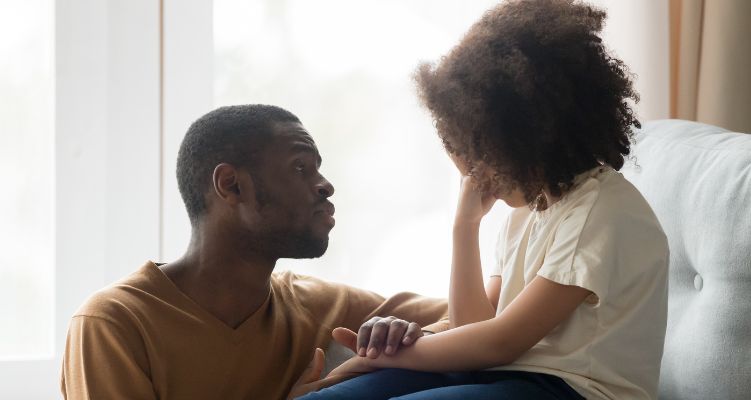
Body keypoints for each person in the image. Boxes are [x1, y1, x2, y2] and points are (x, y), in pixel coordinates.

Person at [299, 0, 669, 399]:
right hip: (502, 375)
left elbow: (499, 342)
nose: (472, 178)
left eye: (479, 159)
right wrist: (465, 227)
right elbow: (472, 328)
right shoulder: (531, 210)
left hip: (574, 390)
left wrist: (383, 357)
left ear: (529, 137)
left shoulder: (600, 210)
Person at [59, 104, 448, 400]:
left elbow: (477, 316)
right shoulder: (114, 323)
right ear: (231, 185)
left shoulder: (318, 305)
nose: (325, 186)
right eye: (301, 168)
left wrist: (405, 339)